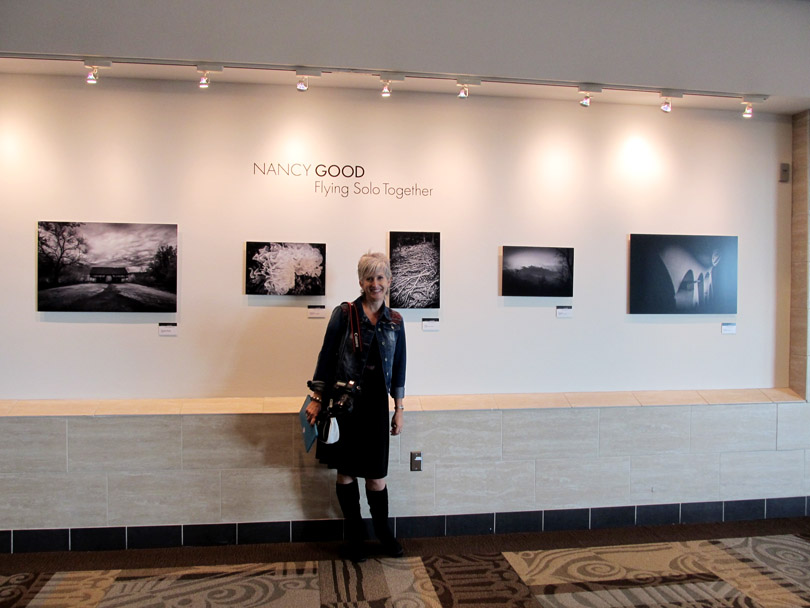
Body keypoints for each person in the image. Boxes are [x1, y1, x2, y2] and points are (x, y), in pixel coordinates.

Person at [306, 252, 406, 562]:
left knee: (376, 475)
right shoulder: (344, 313)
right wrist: (317, 398)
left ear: (389, 281)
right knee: (346, 474)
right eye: (369, 278)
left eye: (380, 277)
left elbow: (400, 366)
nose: (375, 283)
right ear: (360, 282)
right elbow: (326, 358)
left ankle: (384, 535)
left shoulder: (395, 321)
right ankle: (355, 537)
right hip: (345, 404)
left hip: (376, 405)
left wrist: (398, 407)